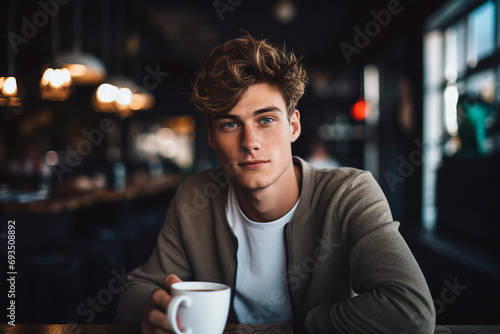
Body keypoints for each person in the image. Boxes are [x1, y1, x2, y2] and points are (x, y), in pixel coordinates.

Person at [115, 33, 436, 334]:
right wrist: (154, 311)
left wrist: (299, 327)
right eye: (230, 124)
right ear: (211, 135)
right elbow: (134, 296)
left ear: (293, 126)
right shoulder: (196, 195)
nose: (250, 142)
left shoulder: (349, 192)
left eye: (266, 119)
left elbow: (411, 313)